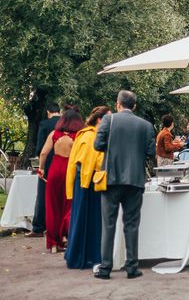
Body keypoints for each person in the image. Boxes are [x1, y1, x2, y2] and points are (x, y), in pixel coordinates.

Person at [93, 90, 155, 280]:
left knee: (108, 224)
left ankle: (105, 268)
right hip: (135, 180)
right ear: (134, 106)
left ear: (118, 104)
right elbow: (150, 152)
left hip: (110, 179)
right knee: (131, 224)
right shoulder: (146, 126)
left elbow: (97, 145)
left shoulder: (108, 121)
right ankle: (131, 267)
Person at [64, 106, 110, 269]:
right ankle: (87, 256)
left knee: (82, 218)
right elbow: (96, 161)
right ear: (100, 120)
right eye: (108, 118)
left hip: (82, 181)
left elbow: (73, 162)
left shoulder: (83, 134)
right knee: (90, 220)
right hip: (90, 182)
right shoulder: (93, 135)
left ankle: (78, 255)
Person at [38, 107, 84, 253]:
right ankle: (65, 237)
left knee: (52, 206)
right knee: (69, 205)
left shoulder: (54, 134)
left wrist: (41, 169)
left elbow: (44, 152)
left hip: (54, 170)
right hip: (70, 170)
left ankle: (52, 243)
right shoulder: (78, 136)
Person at [27, 103, 61, 238]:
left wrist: (40, 165)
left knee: (42, 196)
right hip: (64, 163)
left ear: (48, 112)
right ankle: (58, 228)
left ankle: (39, 228)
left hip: (48, 164)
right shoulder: (67, 123)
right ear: (59, 111)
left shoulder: (45, 124)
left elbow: (40, 148)